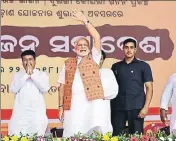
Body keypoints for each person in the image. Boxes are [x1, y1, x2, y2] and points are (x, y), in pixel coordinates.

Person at [57, 9, 116, 137]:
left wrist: (85, 20)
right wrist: (60, 107)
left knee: (91, 134)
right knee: (72, 134)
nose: (83, 46)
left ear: (89, 49)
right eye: (80, 45)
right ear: (74, 48)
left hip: (90, 106)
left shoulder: (94, 58)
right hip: (72, 107)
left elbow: (97, 37)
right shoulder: (68, 63)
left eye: (85, 45)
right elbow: (62, 86)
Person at [111, 38, 153, 135]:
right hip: (118, 108)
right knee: (116, 136)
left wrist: (145, 107)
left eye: (131, 47)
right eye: (126, 47)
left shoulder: (144, 66)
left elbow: (149, 88)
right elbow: (112, 88)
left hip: (137, 108)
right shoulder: (115, 67)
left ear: (135, 49)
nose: (129, 50)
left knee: (136, 136)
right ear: (123, 49)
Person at [8, 50, 50, 136]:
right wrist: (26, 75)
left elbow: (45, 88)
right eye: (25, 60)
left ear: (35, 61)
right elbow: (13, 89)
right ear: (22, 62)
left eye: (30, 59)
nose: (28, 62)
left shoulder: (42, 74)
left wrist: (32, 75)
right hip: (20, 115)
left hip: (37, 115)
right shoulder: (17, 75)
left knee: (37, 136)